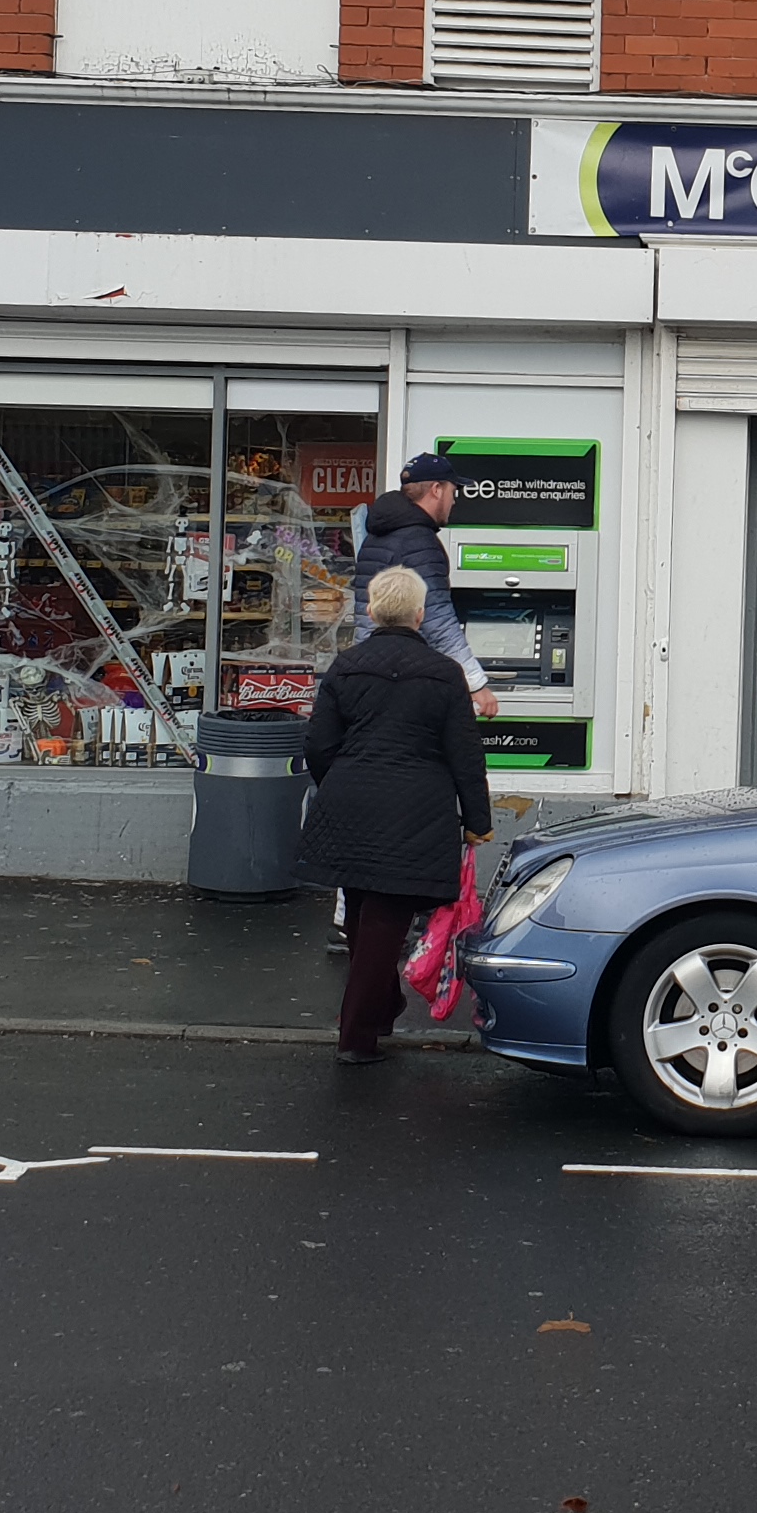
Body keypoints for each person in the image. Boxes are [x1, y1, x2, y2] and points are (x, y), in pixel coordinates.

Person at [300, 564, 491, 1063]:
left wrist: (339, 784)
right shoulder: (445, 674)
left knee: (364, 916)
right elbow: (465, 755)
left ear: (370, 610)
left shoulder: (346, 665)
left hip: (348, 803)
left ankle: (382, 1008)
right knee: (382, 922)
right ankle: (356, 1040)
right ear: (421, 614)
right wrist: (478, 821)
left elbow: (318, 743)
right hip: (414, 812)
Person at [355, 453, 488, 696]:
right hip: (405, 678)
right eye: (452, 491)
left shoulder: (378, 534)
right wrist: (475, 683)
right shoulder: (418, 540)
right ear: (436, 489)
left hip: (369, 672)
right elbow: (437, 619)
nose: (454, 501)